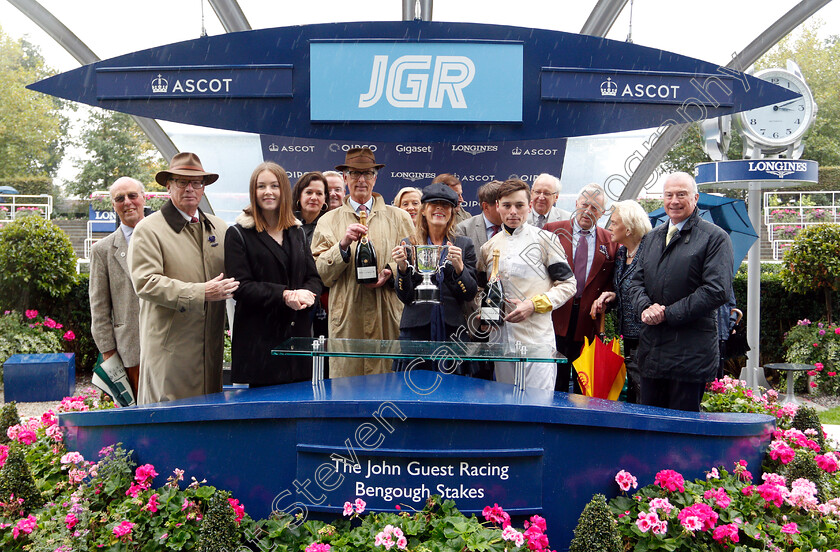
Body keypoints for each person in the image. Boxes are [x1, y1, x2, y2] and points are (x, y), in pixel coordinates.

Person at [129, 152, 238, 404]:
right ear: (169, 186)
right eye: (181, 181)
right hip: (171, 358)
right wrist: (202, 293)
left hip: (211, 356)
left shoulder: (219, 228)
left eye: (196, 182)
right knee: (170, 429)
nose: (190, 188)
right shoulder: (149, 229)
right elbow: (146, 282)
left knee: (206, 430)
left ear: (203, 187)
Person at [628, 172, 734, 412]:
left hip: (690, 356)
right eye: (669, 195)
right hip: (653, 352)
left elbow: (717, 290)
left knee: (681, 434)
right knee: (650, 429)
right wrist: (646, 307)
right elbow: (635, 282)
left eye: (681, 194)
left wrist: (667, 313)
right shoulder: (652, 238)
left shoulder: (715, 238)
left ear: (695, 198)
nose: (674, 200)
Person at [311, 147, 415, 377]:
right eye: (354, 174)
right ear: (345, 178)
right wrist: (342, 246)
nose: (361, 180)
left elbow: (413, 262)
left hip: (387, 316)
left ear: (375, 178)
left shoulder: (399, 217)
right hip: (348, 318)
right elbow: (321, 273)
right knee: (347, 391)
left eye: (367, 173)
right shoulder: (328, 221)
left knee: (390, 384)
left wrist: (390, 271)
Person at [225, 162, 322, 386]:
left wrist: (306, 295)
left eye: (274, 186)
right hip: (260, 347)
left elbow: (314, 277)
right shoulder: (238, 234)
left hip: (298, 345)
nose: (268, 192)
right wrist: (285, 295)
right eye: (261, 186)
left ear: (284, 191)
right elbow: (241, 286)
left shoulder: (296, 232)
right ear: (253, 192)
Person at [477, 179, 576, 390]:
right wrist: (483, 313)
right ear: (497, 207)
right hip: (501, 341)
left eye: (519, 205)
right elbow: (481, 290)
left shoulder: (545, 240)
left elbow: (568, 285)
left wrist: (533, 304)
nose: (513, 211)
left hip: (536, 340)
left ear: (529, 207)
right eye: (507, 205)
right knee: (505, 407)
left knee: (537, 407)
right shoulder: (488, 247)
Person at [391, 184, 477, 373]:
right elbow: (405, 296)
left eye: (445, 205)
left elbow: (469, 293)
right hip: (415, 329)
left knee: (453, 390)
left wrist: (459, 268)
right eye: (434, 204)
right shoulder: (408, 244)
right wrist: (403, 268)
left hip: (453, 330)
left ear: (452, 213)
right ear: (424, 210)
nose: (439, 208)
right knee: (413, 389)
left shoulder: (464, 244)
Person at [543, 183, 618, 394]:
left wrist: (607, 298)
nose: (587, 211)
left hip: (588, 320)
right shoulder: (552, 230)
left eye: (594, 208)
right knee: (553, 379)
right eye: (584, 205)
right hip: (555, 317)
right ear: (576, 204)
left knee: (583, 384)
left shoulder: (611, 241)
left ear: (602, 213)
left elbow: (612, 281)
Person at [589, 200, 652, 403]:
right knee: (633, 392)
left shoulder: (651, 252)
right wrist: (612, 297)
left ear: (629, 226)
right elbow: (624, 289)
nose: (609, 227)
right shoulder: (622, 253)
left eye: (614, 223)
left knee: (644, 393)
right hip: (628, 334)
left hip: (649, 336)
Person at [89, 177, 146, 396]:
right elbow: (99, 307)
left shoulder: (167, 237)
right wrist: (108, 352)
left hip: (169, 348)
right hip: (131, 351)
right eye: (120, 198)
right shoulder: (102, 251)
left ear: (143, 197)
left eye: (132, 195)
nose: (127, 202)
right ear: (113, 205)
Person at [455, 180, 503, 251]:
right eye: (505, 205)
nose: (510, 210)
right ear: (486, 206)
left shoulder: (518, 228)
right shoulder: (464, 230)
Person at [292, 171, 328, 244]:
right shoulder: (286, 222)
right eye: (309, 192)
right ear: (299, 195)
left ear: (325, 198)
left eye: (319, 193)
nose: (314, 198)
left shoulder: (330, 225)